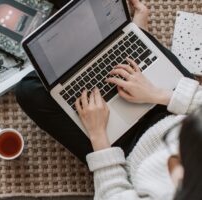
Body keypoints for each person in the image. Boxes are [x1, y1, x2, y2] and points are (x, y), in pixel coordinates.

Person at [15, 0, 202, 199]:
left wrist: (98, 136)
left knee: (29, 90)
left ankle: (129, 37)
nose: (170, 157)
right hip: (172, 107)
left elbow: (113, 194)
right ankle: (133, 37)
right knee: (113, 25)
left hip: (123, 149)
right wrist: (156, 93)